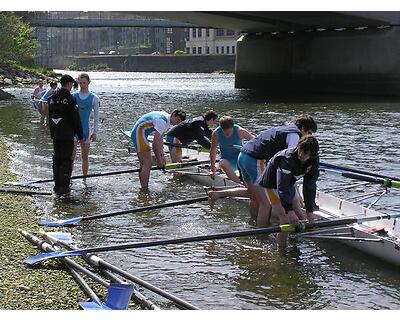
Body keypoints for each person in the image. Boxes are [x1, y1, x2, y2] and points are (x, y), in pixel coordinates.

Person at [209, 113, 317, 227]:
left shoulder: (285, 129)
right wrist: (297, 197)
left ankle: (253, 223)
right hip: (255, 160)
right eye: (309, 133)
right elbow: (289, 165)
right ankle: (261, 236)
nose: (309, 136)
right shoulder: (295, 136)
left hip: (243, 156)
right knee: (265, 203)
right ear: (303, 129)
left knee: (254, 195)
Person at [257, 135, 320, 247]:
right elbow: (282, 187)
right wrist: (289, 211)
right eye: (300, 150)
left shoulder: (314, 161)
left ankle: (292, 241)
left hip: (290, 182)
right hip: (272, 185)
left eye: (305, 153)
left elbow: (309, 186)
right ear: (298, 146)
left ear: (312, 155)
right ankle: (281, 251)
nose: (301, 155)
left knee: (300, 217)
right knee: (286, 218)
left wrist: (310, 211)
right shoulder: (287, 159)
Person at [131, 109, 187, 190]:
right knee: (147, 163)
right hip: (139, 132)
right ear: (173, 115)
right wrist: (159, 160)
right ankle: (145, 189)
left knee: (144, 164)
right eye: (178, 120)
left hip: (141, 132)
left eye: (180, 122)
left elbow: (159, 141)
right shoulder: (162, 122)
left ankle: (143, 188)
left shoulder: (166, 118)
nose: (178, 123)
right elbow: (155, 143)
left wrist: (161, 156)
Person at [48, 74, 83, 195]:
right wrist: (81, 135)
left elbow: (49, 118)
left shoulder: (51, 98)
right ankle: (64, 187)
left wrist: (52, 133)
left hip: (56, 134)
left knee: (56, 158)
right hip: (67, 134)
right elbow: (76, 119)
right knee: (66, 160)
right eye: (72, 84)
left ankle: (57, 185)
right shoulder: (70, 99)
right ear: (68, 84)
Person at [209, 116, 254, 184]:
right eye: (224, 130)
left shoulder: (240, 131)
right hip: (227, 160)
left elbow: (256, 142)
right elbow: (213, 151)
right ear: (221, 127)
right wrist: (212, 170)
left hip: (240, 159)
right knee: (222, 163)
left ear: (232, 126)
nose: (227, 133)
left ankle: (245, 180)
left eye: (229, 130)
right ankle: (239, 184)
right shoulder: (216, 133)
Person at [71, 73, 100, 176]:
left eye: (84, 83)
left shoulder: (94, 98)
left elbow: (96, 117)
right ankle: (69, 178)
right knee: (72, 156)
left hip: (86, 131)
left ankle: (84, 179)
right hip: (73, 130)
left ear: (88, 82)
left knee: (85, 156)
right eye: (80, 83)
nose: (82, 85)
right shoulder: (73, 96)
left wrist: (95, 132)